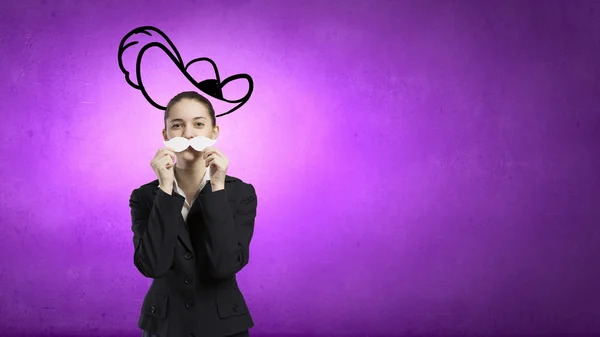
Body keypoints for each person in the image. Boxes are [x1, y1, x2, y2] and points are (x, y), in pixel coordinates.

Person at [129, 91, 257, 337]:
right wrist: (165, 190)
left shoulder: (241, 193)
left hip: (225, 327)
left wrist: (217, 189)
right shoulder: (144, 196)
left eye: (198, 124)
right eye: (177, 125)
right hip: (164, 327)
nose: (188, 134)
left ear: (214, 132)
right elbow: (152, 266)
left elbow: (225, 265)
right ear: (165, 135)